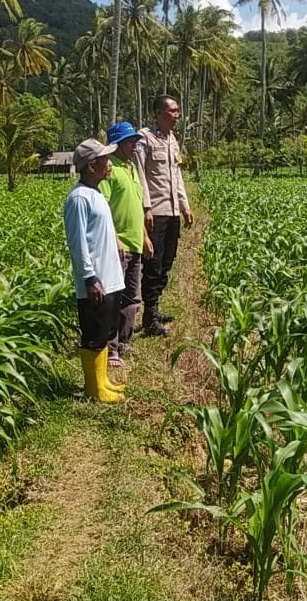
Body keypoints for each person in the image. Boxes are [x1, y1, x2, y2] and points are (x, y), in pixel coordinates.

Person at [64, 138, 126, 403]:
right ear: (91, 166)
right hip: (96, 281)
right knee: (93, 334)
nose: (109, 164)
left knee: (103, 332)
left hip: (109, 278)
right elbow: (78, 243)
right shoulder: (78, 198)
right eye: (105, 160)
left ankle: (102, 381)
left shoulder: (96, 193)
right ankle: (93, 389)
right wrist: (89, 278)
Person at [134, 94, 194, 337]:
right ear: (159, 113)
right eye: (173, 111)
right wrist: (146, 207)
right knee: (153, 264)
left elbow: (176, 176)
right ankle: (149, 317)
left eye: (178, 111)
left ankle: (155, 308)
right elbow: (139, 174)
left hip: (172, 212)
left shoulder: (172, 140)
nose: (177, 115)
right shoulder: (144, 139)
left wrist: (184, 205)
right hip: (155, 212)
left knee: (167, 261)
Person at [98, 121, 154, 367]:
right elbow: (104, 209)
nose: (134, 146)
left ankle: (123, 341)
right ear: (118, 145)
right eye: (131, 142)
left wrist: (145, 236)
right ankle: (110, 348)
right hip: (118, 245)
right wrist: (116, 238)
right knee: (114, 298)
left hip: (135, 243)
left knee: (133, 298)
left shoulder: (131, 168)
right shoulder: (110, 169)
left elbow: (136, 208)